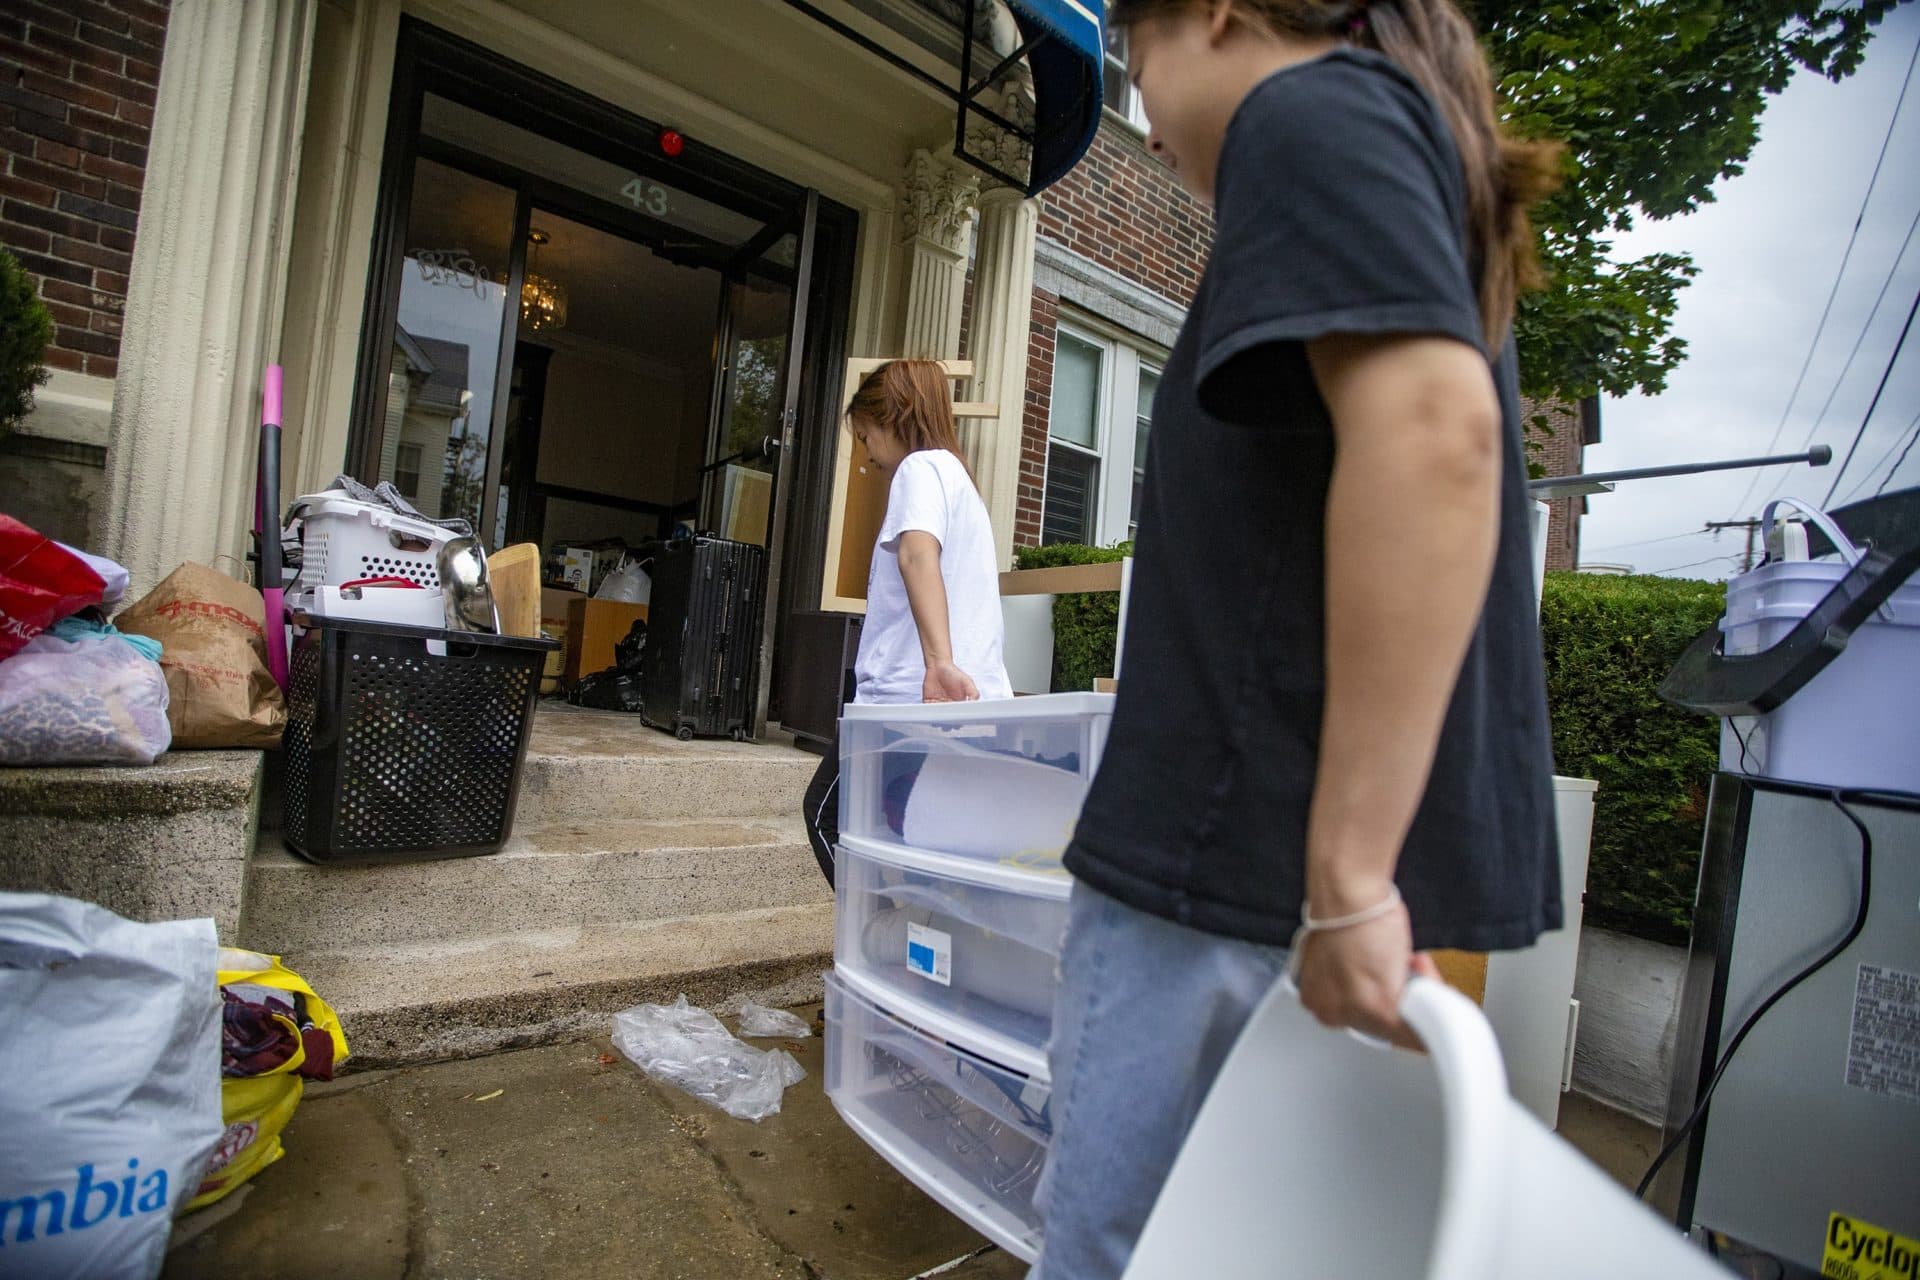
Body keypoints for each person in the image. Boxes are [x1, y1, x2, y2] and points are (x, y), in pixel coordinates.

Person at [1029, 2, 1565, 1276]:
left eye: (1131, 54)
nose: (1143, 117)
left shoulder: (1311, 111)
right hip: (1268, 874)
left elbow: (1436, 443)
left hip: (1219, 868)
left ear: (1214, 11)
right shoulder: (1392, 140)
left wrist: (1353, 876)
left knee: (1116, 1252)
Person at [801, 360, 1013, 887]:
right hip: (963, 706)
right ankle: (920, 949)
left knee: (827, 818)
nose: (868, 456)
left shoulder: (920, 470)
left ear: (892, 417)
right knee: (907, 837)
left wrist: (938, 664)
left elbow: (917, 556)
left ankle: (886, 949)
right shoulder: (961, 482)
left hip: (908, 705)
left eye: (866, 435)